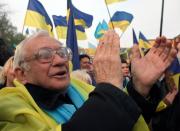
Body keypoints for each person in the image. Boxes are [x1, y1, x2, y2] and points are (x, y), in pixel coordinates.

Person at [0, 30, 176, 131]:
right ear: (21, 74)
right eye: (45, 55)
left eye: (62, 53)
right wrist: (108, 89)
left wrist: (139, 87)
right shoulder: (6, 109)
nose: (61, 60)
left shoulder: (83, 88)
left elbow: (121, 119)